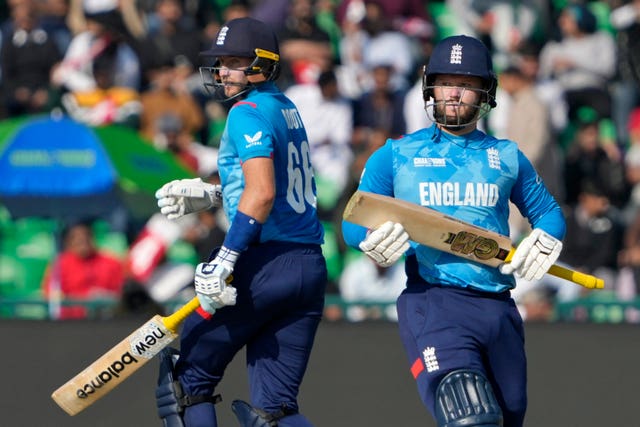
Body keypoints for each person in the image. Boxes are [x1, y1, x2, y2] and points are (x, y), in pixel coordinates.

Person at [342, 35, 566, 427]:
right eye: (446, 82)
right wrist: (368, 241)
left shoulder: (507, 155)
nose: (453, 94)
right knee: (469, 415)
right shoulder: (397, 154)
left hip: (499, 308)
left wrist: (545, 238)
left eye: (465, 85)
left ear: (486, 92)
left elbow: (547, 212)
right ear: (430, 86)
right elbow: (351, 221)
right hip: (434, 302)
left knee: (509, 416)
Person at [153, 17, 327, 427]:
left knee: (186, 383)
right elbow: (277, 184)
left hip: (262, 264)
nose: (223, 72)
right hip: (307, 266)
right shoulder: (285, 106)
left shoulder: (245, 111)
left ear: (261, 65)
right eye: (221, 62)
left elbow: (263, 192)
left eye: (234, 62)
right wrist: (215, 193)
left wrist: (226, 258)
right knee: (276, 408)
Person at [42, 220, 125, 320]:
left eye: (86, 237)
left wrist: (102, 297)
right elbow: (52, 296)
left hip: (105, 318)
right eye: (76, 238)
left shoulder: (111, 263)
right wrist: (84, 300)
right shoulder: (60, 264)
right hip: (71, 320)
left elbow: (121, 294)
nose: (82, 241)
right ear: (68, 242)